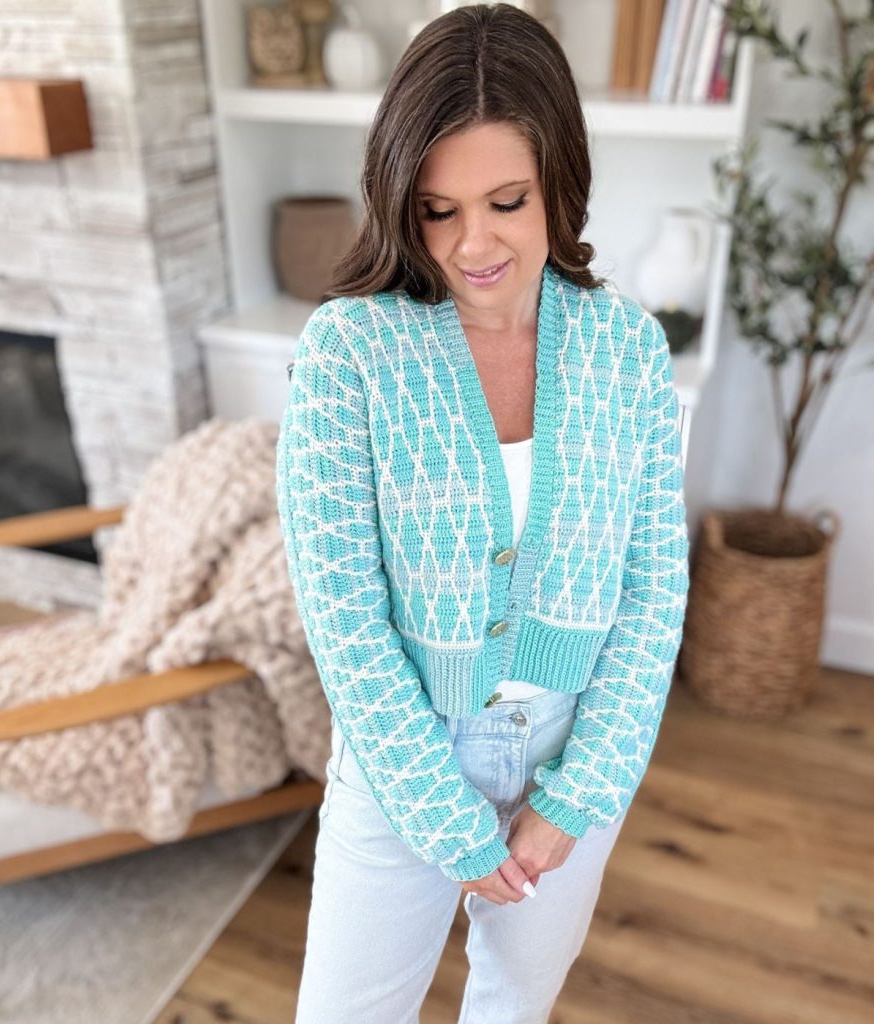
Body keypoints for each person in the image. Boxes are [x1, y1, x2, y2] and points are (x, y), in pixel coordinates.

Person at [274, 4, 690, 1022]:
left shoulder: (625, 350)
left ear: (560, 179)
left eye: (505, 200)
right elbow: (342, 617)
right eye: (435, 210)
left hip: (570, 747)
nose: (472, 244)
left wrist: (574, 796)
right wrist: (440, 816)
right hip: (401, 758)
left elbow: (651, 591)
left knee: (513, 1006)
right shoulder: (349, 354)